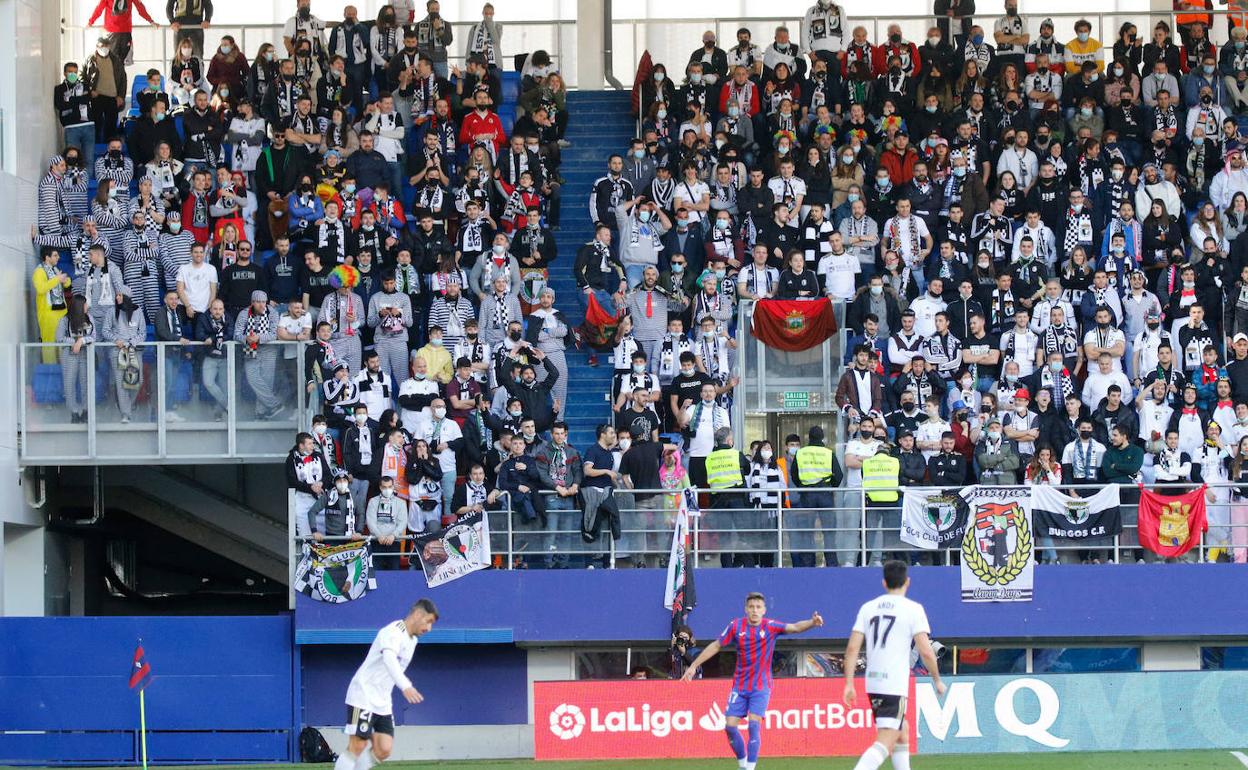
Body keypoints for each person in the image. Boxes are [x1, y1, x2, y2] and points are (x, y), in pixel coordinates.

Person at [680, 593, 823, 770]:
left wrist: (812, 622)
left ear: (764, 610)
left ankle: (750, 768)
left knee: (754, 725)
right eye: (751, 607)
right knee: (730, 727)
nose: (755, 610)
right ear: (746, 609)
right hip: (740, 686)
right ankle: (743, 765)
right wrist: (694, 665)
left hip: (761, 686)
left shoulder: (770, 626)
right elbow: (717, 645)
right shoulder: (735, 626)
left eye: (758, 607)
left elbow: (794, 627)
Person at [843, 561, 946, 770]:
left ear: (883, 583)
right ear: (907, 582)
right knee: (885, 740)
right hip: (893, 684)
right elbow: (926, 651)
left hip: (873, 683)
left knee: (902, 731)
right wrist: (937, 679)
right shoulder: (913, 609)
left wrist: (849, 683)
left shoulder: (868, 607)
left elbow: (852, 649)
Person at [336, 600, 438, 770]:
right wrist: (406, 686)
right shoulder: (393, 631)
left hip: (382, 701)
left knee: (383, 749)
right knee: (358, 745)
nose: (429, 628)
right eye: (428, 621)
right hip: (363, 694)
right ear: (418, 614)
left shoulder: (412, 641)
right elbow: (389, 659)